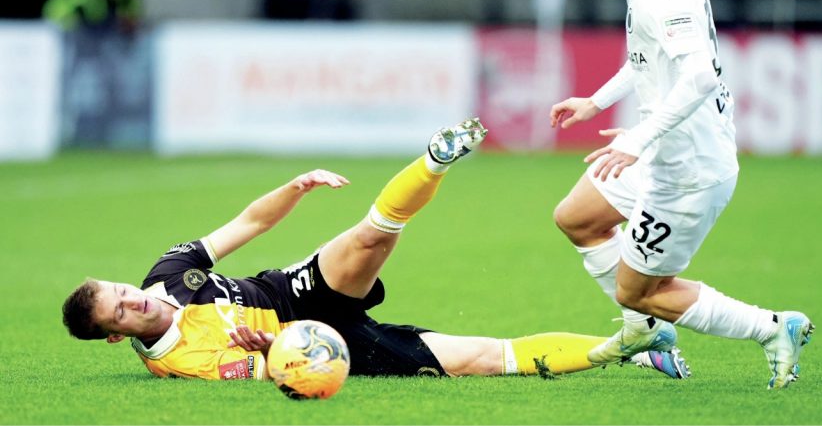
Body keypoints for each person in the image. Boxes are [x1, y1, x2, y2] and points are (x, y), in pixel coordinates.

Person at [62, 118, 687, 381]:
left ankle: (434, 160)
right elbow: (281, 375)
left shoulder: (167, 277)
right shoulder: (178, 364)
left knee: (370, 235)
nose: (134, 300)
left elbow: (245, 224)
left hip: (286, 290)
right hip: (313, 342)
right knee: (483, 360)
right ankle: (632, 347)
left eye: (122, 290)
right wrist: (272, 347)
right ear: (118, 336)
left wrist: (295, 187)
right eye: (121, 311)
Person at [548, 0, 814, 390]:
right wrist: (595, 103)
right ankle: (646, 335)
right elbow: (648, 58)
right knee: (577, 218)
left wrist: (636, 139)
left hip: (687, 173)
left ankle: (775, 328)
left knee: (641, 290)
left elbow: (697, 75)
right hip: (657, 152)